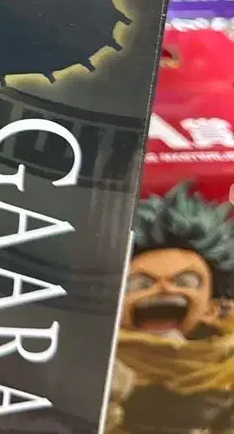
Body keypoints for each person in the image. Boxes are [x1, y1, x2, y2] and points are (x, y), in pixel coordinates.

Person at [109, 184, 234, 434]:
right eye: (142, 284)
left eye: (185, 281)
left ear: (211, 305)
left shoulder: (226, 370)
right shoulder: (94, 368)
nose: (164, 289)